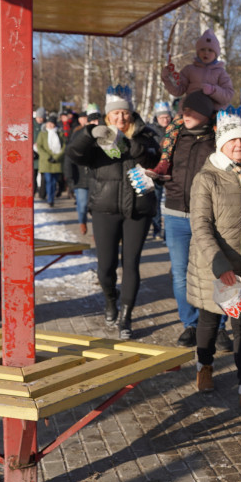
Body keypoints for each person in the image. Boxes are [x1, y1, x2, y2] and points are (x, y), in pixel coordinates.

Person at [187, 111, 241, 411]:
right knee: (210, 321)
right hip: (215, 265)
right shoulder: (206, 177)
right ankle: (204, 366)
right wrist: (219, 264)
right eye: (232, 139)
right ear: (221, 144)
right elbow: (200, 226)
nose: (239, 144)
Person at [67, 89, 161, 340]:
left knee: (131, 264)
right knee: (105, 267)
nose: (121, 117)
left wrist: (130, 143)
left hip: (137, 210)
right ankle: (111, 301)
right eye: (116, 113)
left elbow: (155, 159)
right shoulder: (97, 137)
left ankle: (126, 317)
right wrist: (90, 133)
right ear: (108, 115)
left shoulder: (145, 133)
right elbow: (74, 154)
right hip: (104, 209)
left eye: (125, 112)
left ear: (131, 113)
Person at [161, 91, 232, 353]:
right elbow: (163, 165)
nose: (184, 115)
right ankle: (190, 324)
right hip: (176, 213)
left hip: (211, 216)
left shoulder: (218, 138)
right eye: (183, 110)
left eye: (190, 111)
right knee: (180, 273)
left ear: (204, 113)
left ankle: (221, 327)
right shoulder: (173, 135)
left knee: (218, 271)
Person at [153, 29, 235, 175]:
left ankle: (226, 162)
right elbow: (178, 90)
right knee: (172, 130)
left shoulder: (221, 73)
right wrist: (167, 79)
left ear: (216, 53)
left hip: (214, 111)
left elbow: (228, 95)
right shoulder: (189, 70)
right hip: (189, 110)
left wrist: (213, 90)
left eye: (210, 50)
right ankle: (164, 162)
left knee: (223, 133)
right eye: (202, 49)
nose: (206, 53)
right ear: (197, 52)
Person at [64, 108, 99, 235]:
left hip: (97, 178)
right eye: (92, 121)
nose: (95, 124)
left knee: (97, 208)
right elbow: (69, 155)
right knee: (83, 205)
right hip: (81, 177)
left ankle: (97, 232)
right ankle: (82, 222)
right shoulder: (78, 135)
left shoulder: (105, 136)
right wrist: (69, 176)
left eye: (97, 121)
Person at [148, 100, 174, 240]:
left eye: (167, 117)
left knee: (171, 202)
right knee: (156, 201)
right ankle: (157, 229)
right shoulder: (151, 130)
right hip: (156, 171)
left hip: (172, 171)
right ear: (157, 118)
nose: (165, 119)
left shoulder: (175, 129)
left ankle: (169, 231)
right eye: (162, 117)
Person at [36, 116, 64, 208]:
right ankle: (50, 199)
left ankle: (52, 197)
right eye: (48, 123)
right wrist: (47, 156)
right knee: (48, 181)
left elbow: (64, 147)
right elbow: (39, 146)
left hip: (57, 162)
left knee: (54, 181)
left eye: (52, 123)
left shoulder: (60, 134)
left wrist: (56, 157)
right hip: (46, 162)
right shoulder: (42, 134)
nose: (50, 125)